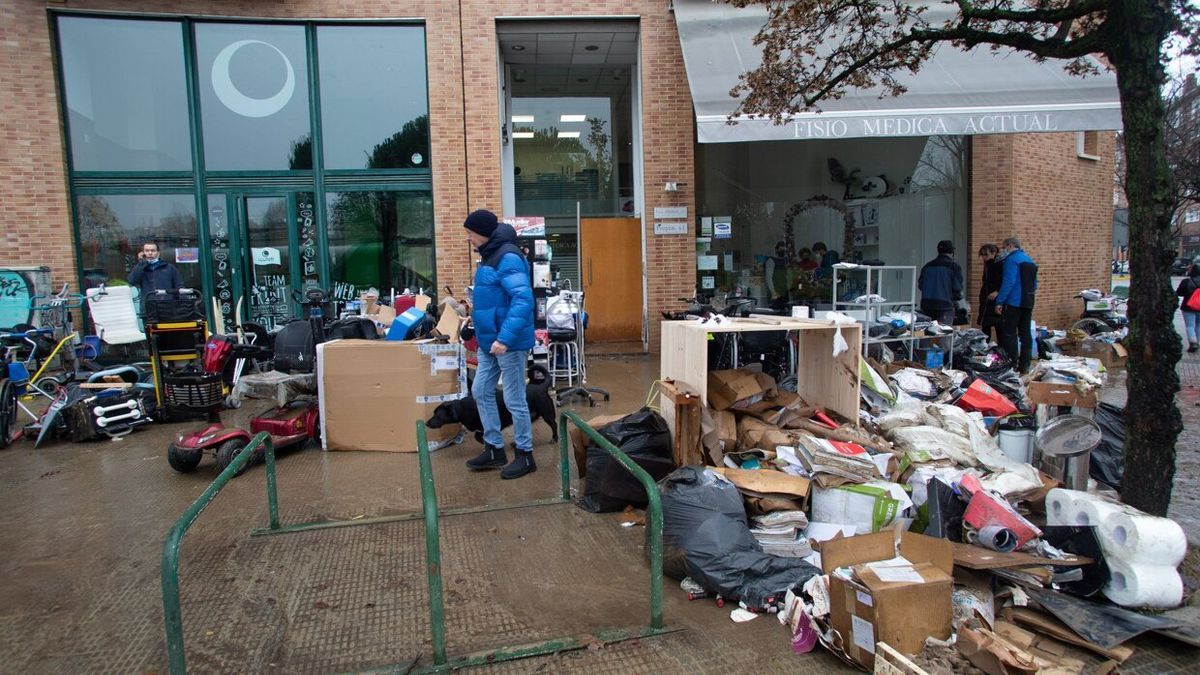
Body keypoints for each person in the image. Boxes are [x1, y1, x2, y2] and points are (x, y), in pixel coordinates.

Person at [461, 209, 538, 479]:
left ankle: (525, 454)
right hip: (488, 341)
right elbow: (494, 298)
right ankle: (494, 448)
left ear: (482, 232)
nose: (469, 238)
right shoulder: (489, 255)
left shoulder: (507, 257)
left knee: (514, 399)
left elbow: (522, 300)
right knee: (481, 390)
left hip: (508, 343)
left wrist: (504, 338)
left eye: (470, 233)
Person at [992, 237, 1038, 373]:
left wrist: (1000, 301)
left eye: (1005, 247)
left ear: (1010, 246)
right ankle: (1025, 366)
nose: (1004, 250)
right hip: (1028, 301)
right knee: (1025, 334)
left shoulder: (1011, 260)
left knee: (1009, 333)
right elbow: (1035, 284)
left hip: (1013, 302)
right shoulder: (1029, 260)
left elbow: (1009, 282)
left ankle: (1011, 365)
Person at [917, 240, 963, 325]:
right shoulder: (953, 266)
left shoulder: (927, 266)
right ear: (952, 252)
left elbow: (921, 285)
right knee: (943, 334)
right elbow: (957, 288)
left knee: (927, 333)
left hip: (926, 305)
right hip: (945, 306)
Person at [977, 244, 1004, 342]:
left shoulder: (1000, 264)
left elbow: (1005, 280)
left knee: (998, 326)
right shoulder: (988, 264)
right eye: (983, 255)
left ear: (993, 253)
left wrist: (997, 291)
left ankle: (1001, 348)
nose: (984, 257)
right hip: (986, 296)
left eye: (986, 255)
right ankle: (985, 346)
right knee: (985, 326)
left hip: (995, 297)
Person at [1177, 256, 1200, 353]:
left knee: (1190, 325)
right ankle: (1197, 342)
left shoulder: (1186, 281)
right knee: (1198, 325)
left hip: (1188, 306)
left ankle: (1193, 342)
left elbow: (1179, 292)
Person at [764, 241, 792, 308]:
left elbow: (788, 275)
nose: (782, 251)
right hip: (775, 293)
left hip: (784, 292)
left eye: (784, 250)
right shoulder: (771, 260)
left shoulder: (786, 260)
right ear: (776, 249)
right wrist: (773, 292)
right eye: (781, 249)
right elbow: (769, 278)